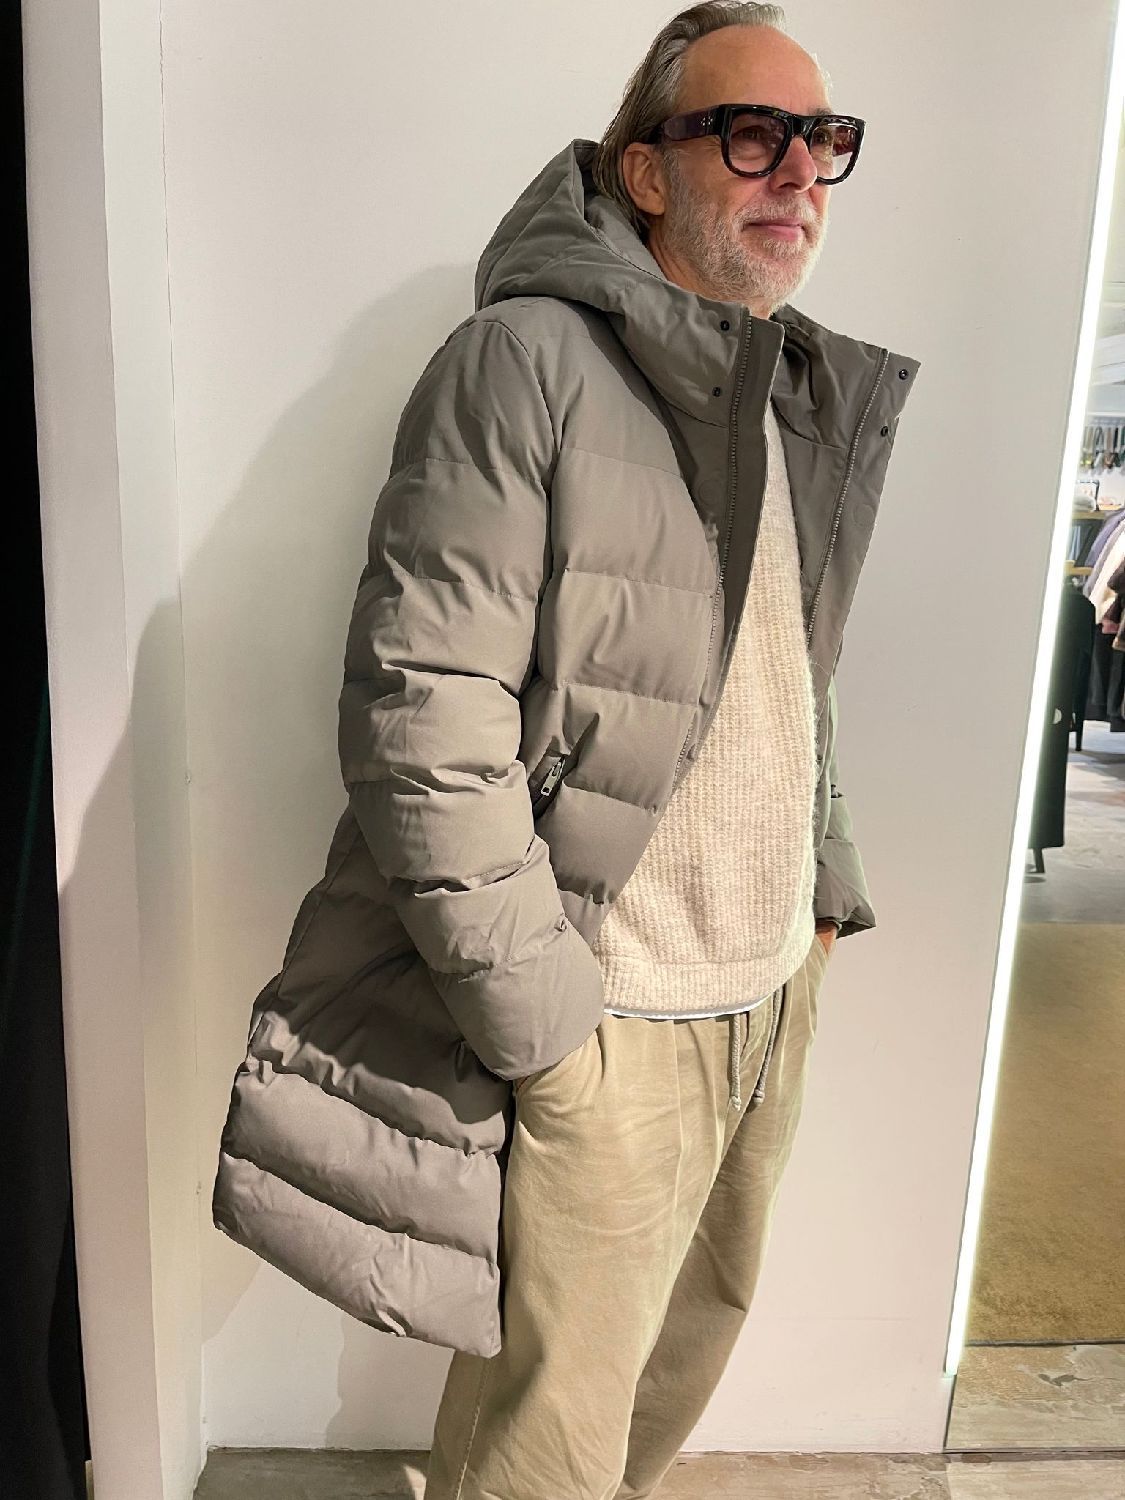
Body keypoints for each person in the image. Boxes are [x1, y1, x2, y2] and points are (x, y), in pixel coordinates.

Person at [210, 3, 920, 1495]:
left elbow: (792, 672)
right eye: (753, 135)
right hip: (616, 1009)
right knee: (544, 1444)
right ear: (645, 170)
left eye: (824, 140)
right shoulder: (520, 362)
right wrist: (544, 1017)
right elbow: (423, 713)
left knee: (667, 1382)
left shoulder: (784, 385)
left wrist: (824, 889)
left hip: (763, 991)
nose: (800, 171)